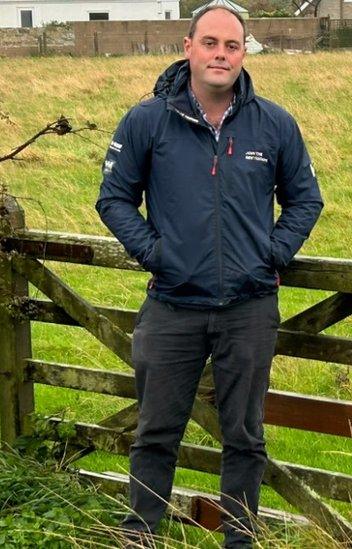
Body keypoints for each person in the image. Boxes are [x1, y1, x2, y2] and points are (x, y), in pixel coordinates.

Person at [95, 6, 322, 548]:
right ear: (189, 46)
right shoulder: (147, 121)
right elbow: (114, 198)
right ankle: (139, 538)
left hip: (249, 308)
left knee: (244, 437)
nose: (221, 54)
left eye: (233, 45)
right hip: (172, 305)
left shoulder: (274, 123)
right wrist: (156, 253)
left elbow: (305, 199)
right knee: (155, 434)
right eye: (211, 43)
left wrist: (273, 253)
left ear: (244, 52)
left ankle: (239, 541)